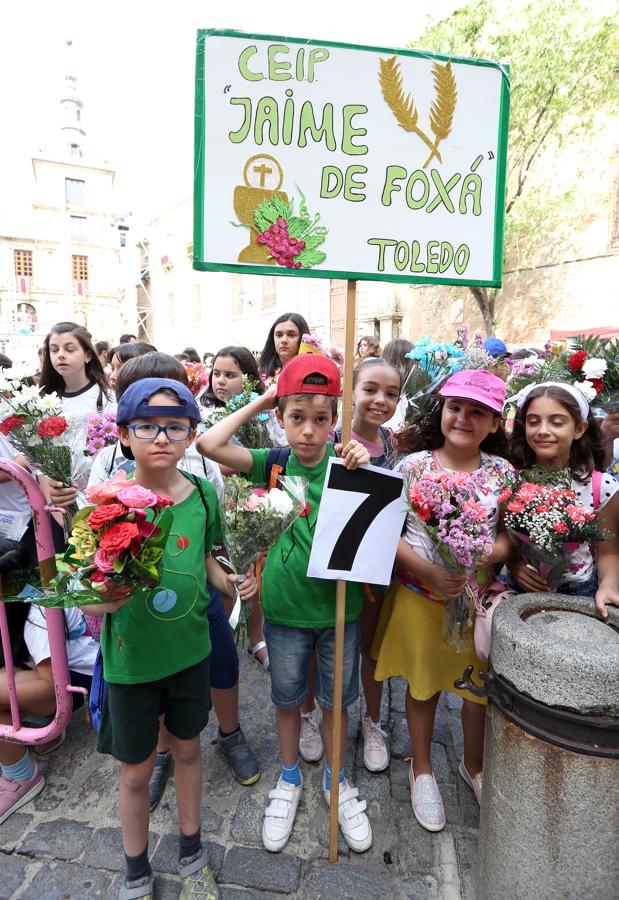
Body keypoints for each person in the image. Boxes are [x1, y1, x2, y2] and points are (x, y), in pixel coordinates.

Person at [86, 378, 256, 899]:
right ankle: (135, 868)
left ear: (190, 435)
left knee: (188, 751)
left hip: (190, 654)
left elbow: (207, 558)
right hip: (131, 661)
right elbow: (87, 594)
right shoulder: (105, 501)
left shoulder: (204, 493)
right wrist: (103, 600)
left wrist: (231, 582)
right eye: (147, 427)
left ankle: (192, 852)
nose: (161, 437)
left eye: (175, 427)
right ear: (123, 435)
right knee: (136, 772)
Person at [197, 354, 374, 854]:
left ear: (334, 419)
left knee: (338, 701)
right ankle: (291, 776)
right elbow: (209, 444)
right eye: (297, 418)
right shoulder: (271, 464)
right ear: (281, 418)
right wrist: (268, 397)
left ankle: (337, 780)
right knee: (286, 698)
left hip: (339, 612)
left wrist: (360, 459)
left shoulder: (349, 466)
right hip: (284, 613)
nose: (309, 432)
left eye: (321, 419)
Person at [372, 370, 514, 831]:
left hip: (477, 602)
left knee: (476, 690)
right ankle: (422, 768)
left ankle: (472, 764)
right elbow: (388, 535)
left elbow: (510, 539)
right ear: (442, 411)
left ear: (495, 423)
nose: (464, 418)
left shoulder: (503, 473)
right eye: (456, 407)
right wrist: (433, 570)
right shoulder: (412, 467)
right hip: (419, 596)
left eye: (478, 412)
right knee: (423, 684)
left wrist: (482, 554)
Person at [507, 382, 619, 617]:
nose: (542, 430)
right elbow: (504, 538)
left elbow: (609, 552)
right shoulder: (511, 481)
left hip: (580, 593)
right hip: (521, 591)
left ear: (579, 428)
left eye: (557, 422)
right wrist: (514, 565)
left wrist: (608, 586)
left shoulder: (601, 487)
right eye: (533, 421)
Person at [0, 600, 97, 824]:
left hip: (76, 680)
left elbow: (50, 687)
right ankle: (34, 726)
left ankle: (20, 777)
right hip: (49, 675)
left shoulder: (35, 609)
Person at [200, 346, 264, 417]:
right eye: (216, 374)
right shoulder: (203, 411)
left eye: (229, 375)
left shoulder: (262, 412)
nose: (220, 381)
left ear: (249, 379)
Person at [257, 312, 309, 379]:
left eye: (291, 335)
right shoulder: (261, 371)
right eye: (279, 335)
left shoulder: (312, 371)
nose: (284, 340)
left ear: (303, 338)